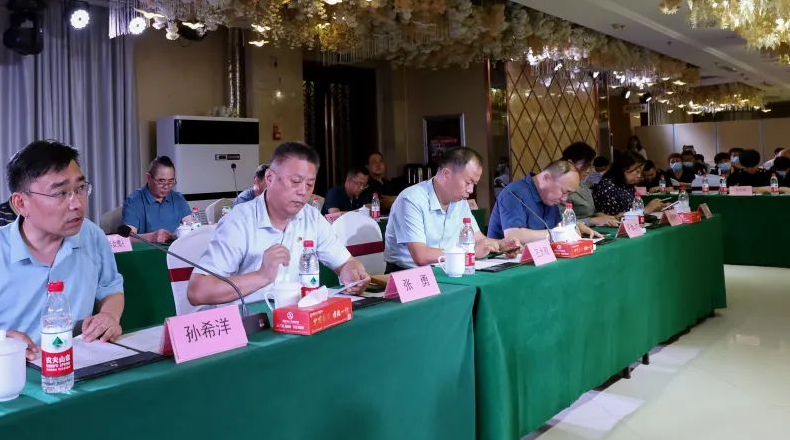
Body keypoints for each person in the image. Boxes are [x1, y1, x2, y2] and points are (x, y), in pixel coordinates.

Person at [0, 140, 125, 365]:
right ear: (21, 203)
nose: (77, 204)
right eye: (60, 193)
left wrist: (109, 315)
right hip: (13, 373)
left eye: (80, 188)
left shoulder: (92, 236)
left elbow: (111, 288)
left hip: (79, 367)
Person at [186, 141, 370, 306]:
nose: (303, 192)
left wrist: (352, 273)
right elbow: (198, 291)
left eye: (309, 185)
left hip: (296, 317)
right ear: (269, 178)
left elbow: (345, 262)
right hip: (248, 322)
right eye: (295, 181)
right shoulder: (239, 221)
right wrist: (261, 275)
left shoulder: (311, 217)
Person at [384, 147, 518, 271]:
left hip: (449, 267)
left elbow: (478, 239)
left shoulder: (460, 202)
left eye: (474, 184)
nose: (471, 190)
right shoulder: (411, 199)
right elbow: (421, 256)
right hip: (408, 274)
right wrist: (469, 254)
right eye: (468, 182)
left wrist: (502, 245)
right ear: (446, 173)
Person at [488, 160, 597, 244]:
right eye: (564, 192)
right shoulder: (513, 193)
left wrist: (575, 227)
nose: (564, 199)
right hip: (506, 262)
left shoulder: (550, 197)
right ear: (546, 178)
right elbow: (513, 236)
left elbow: (557, 227)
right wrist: (558, 234)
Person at [120, 155, 193, 244]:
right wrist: (152, 237)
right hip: (148, 250)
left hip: (175, 249)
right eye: (161, 181)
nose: (166, 186)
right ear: (148, 178)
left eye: (171, 181)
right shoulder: (134, 201)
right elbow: (128, 238)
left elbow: (192, 226)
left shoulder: (178, 198)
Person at [563, 142, 620, 227]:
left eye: (590, 166)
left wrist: (603, 216)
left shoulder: (582, 183)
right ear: (570, 163)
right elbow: (561, 222)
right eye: (584, 166)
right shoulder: (561, 188)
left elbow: (590, 212)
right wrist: (592, 220)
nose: (588, 170)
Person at [591, 153, 667, 215]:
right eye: (637, 171)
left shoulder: (627, 185)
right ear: (624, 168)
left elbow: (632, 209)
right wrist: (645, 210)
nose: (639, 176)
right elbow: (615, 218)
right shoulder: (607, 187)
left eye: (640, 172)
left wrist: (654, 207)